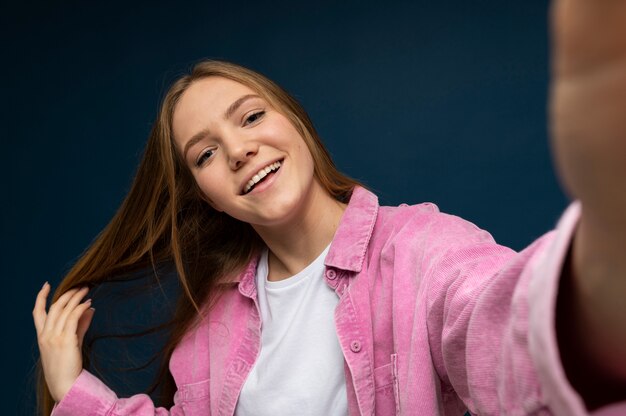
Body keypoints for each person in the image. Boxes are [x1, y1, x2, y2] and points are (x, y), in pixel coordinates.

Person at [33, 1, 626, 414]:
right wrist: (72, 389)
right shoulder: (211, 322)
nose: (239, 150)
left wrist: (599, 275)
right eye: (206, 153)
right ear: (201, 193)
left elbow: (499, 334)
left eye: (252, 116)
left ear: (297, 122)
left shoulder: (421, 251)